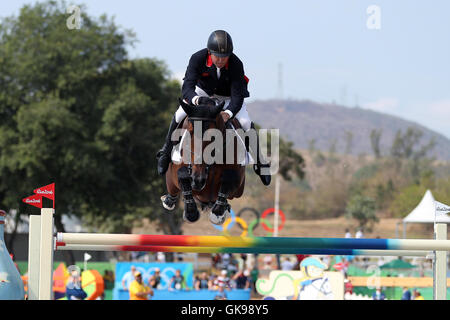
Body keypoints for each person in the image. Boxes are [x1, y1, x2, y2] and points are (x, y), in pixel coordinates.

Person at [156, 30, 271, 186]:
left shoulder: (236, 64)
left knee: (244, 122)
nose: (221, 60)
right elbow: (187, 86)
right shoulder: (197, 58)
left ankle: (260, 162)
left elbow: (237, 96)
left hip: (228, 97)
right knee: (179, 114)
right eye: (217, 56)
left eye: (225, 57)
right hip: (201, 93)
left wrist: (228, 113)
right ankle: (166, 151)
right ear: (210, 52)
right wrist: (196, 100)